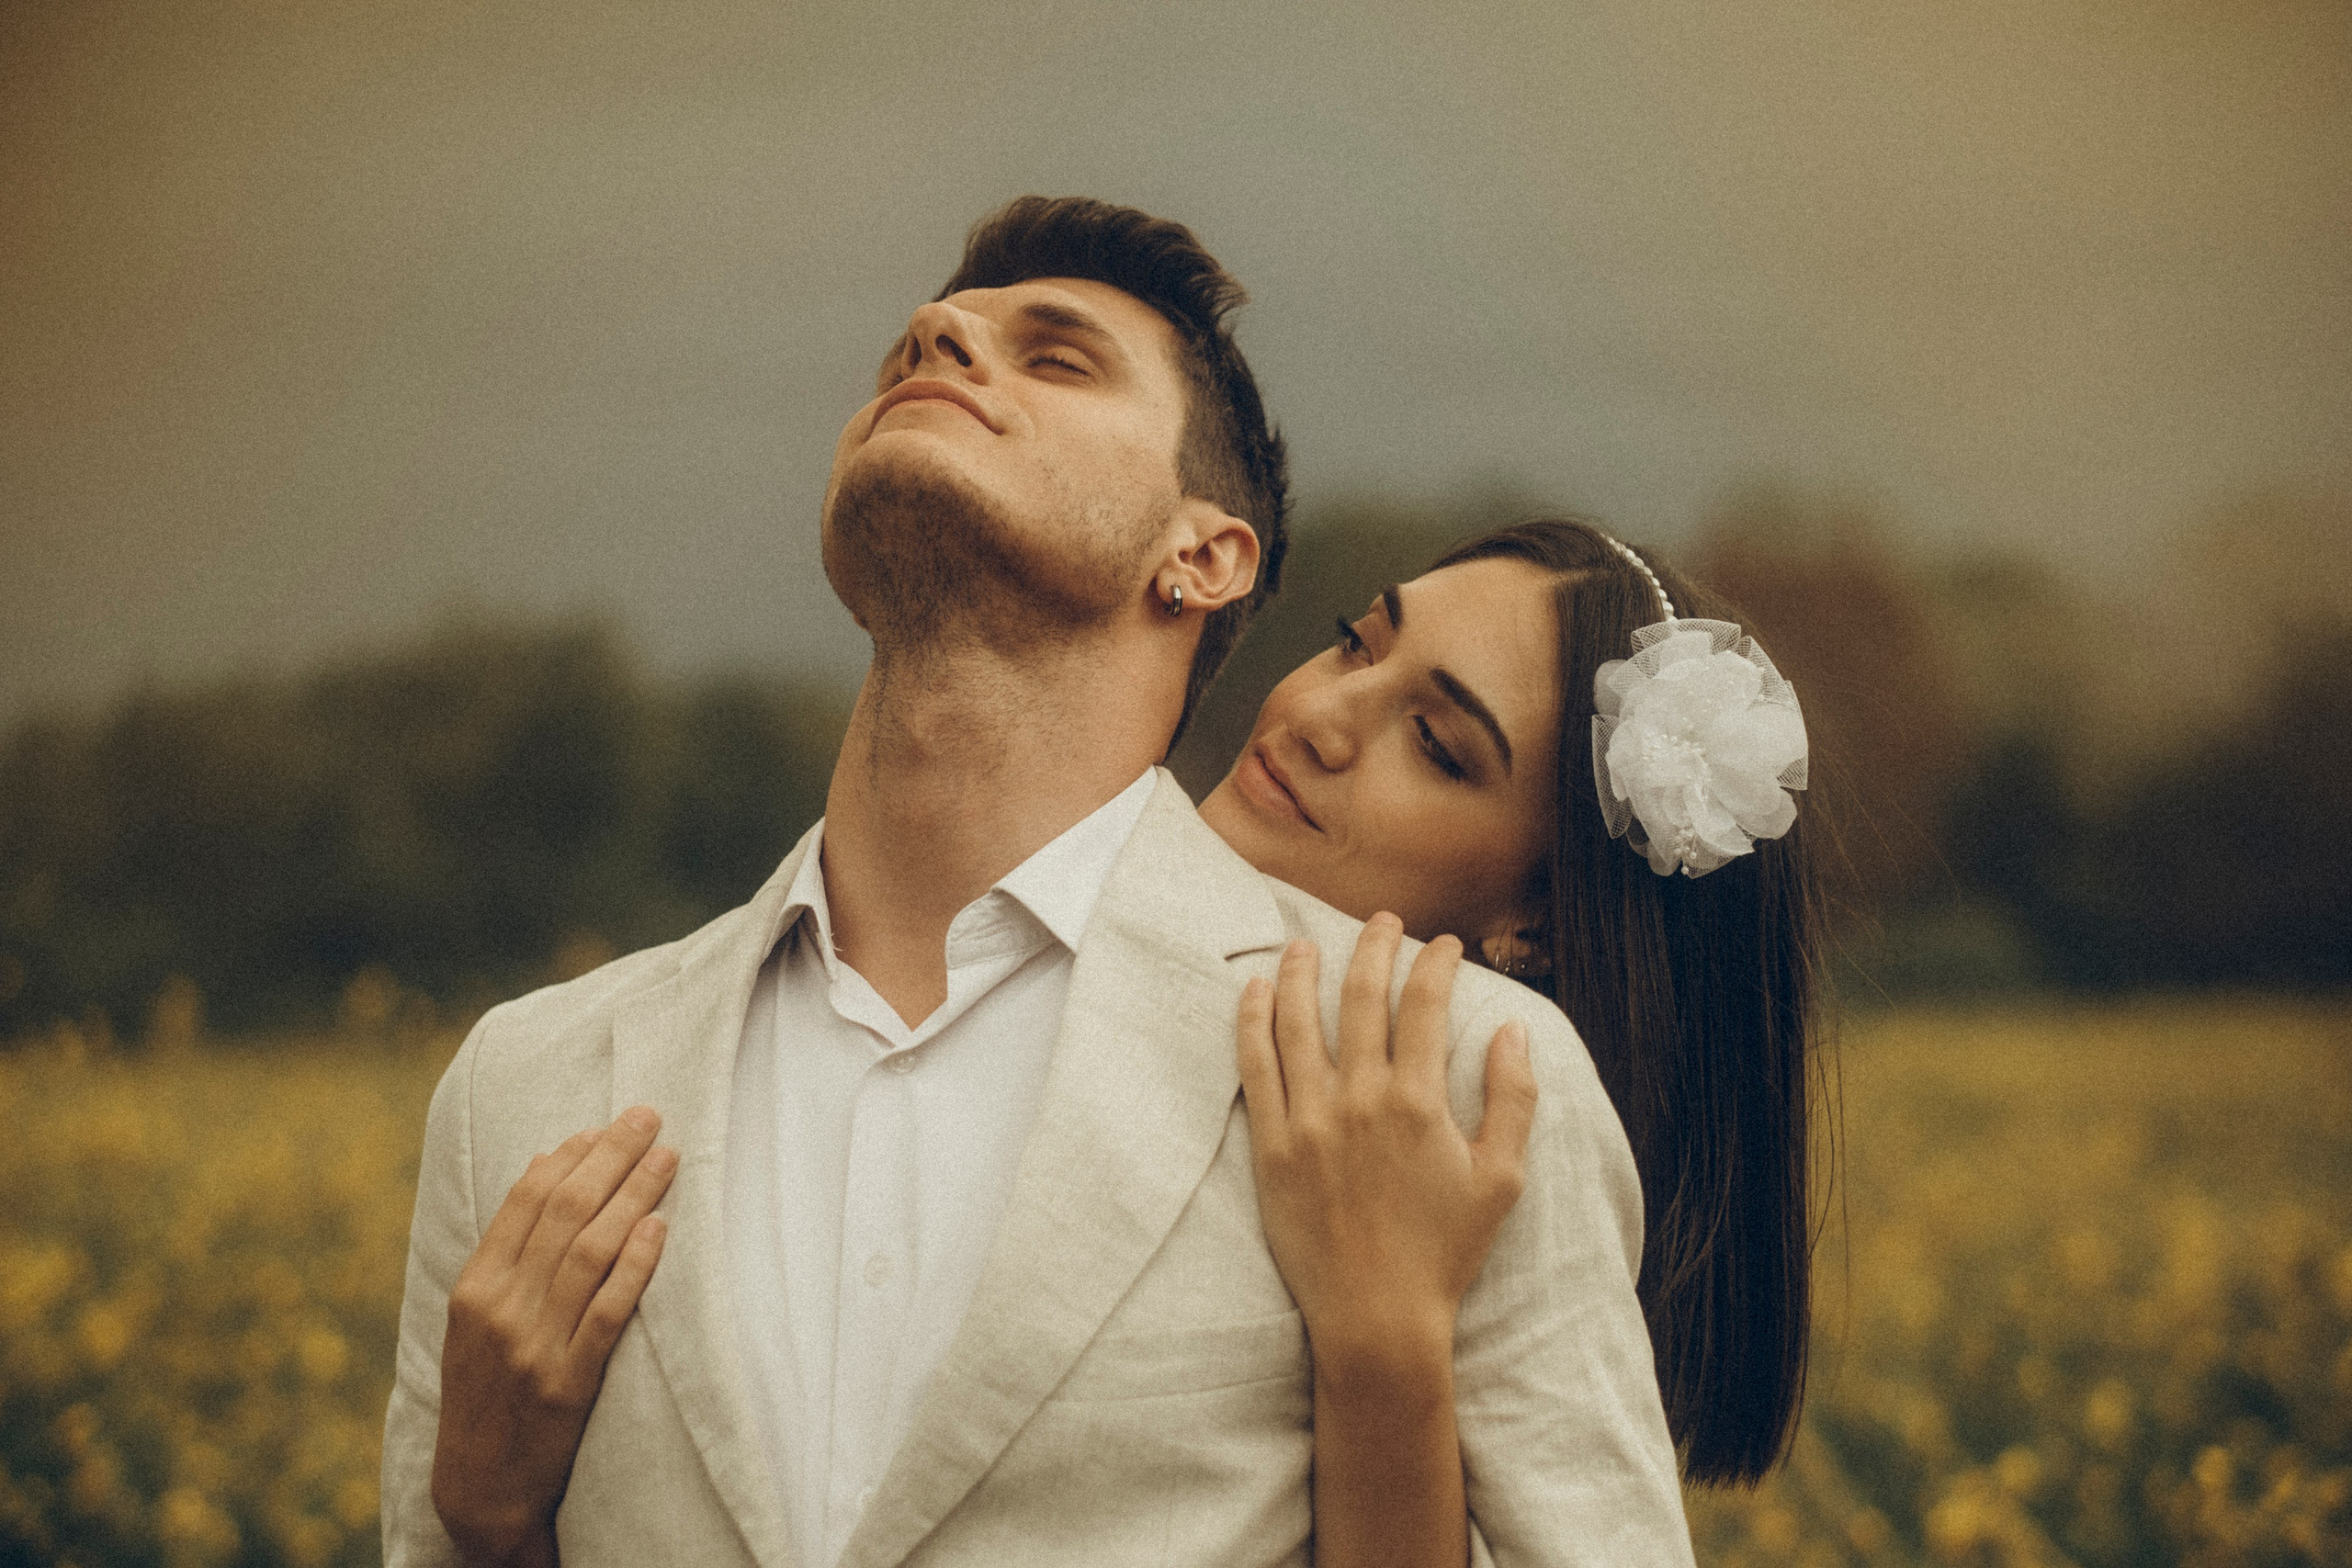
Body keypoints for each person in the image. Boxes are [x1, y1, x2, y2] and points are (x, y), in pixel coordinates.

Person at [383, 197, 1711, 1568]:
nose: (935, 333)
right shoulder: (518, 1090)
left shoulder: (1465, 1091)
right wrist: (487, 1528)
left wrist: (1382, 1359)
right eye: (927, 339)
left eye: (1057, 356)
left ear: (1203, 554)